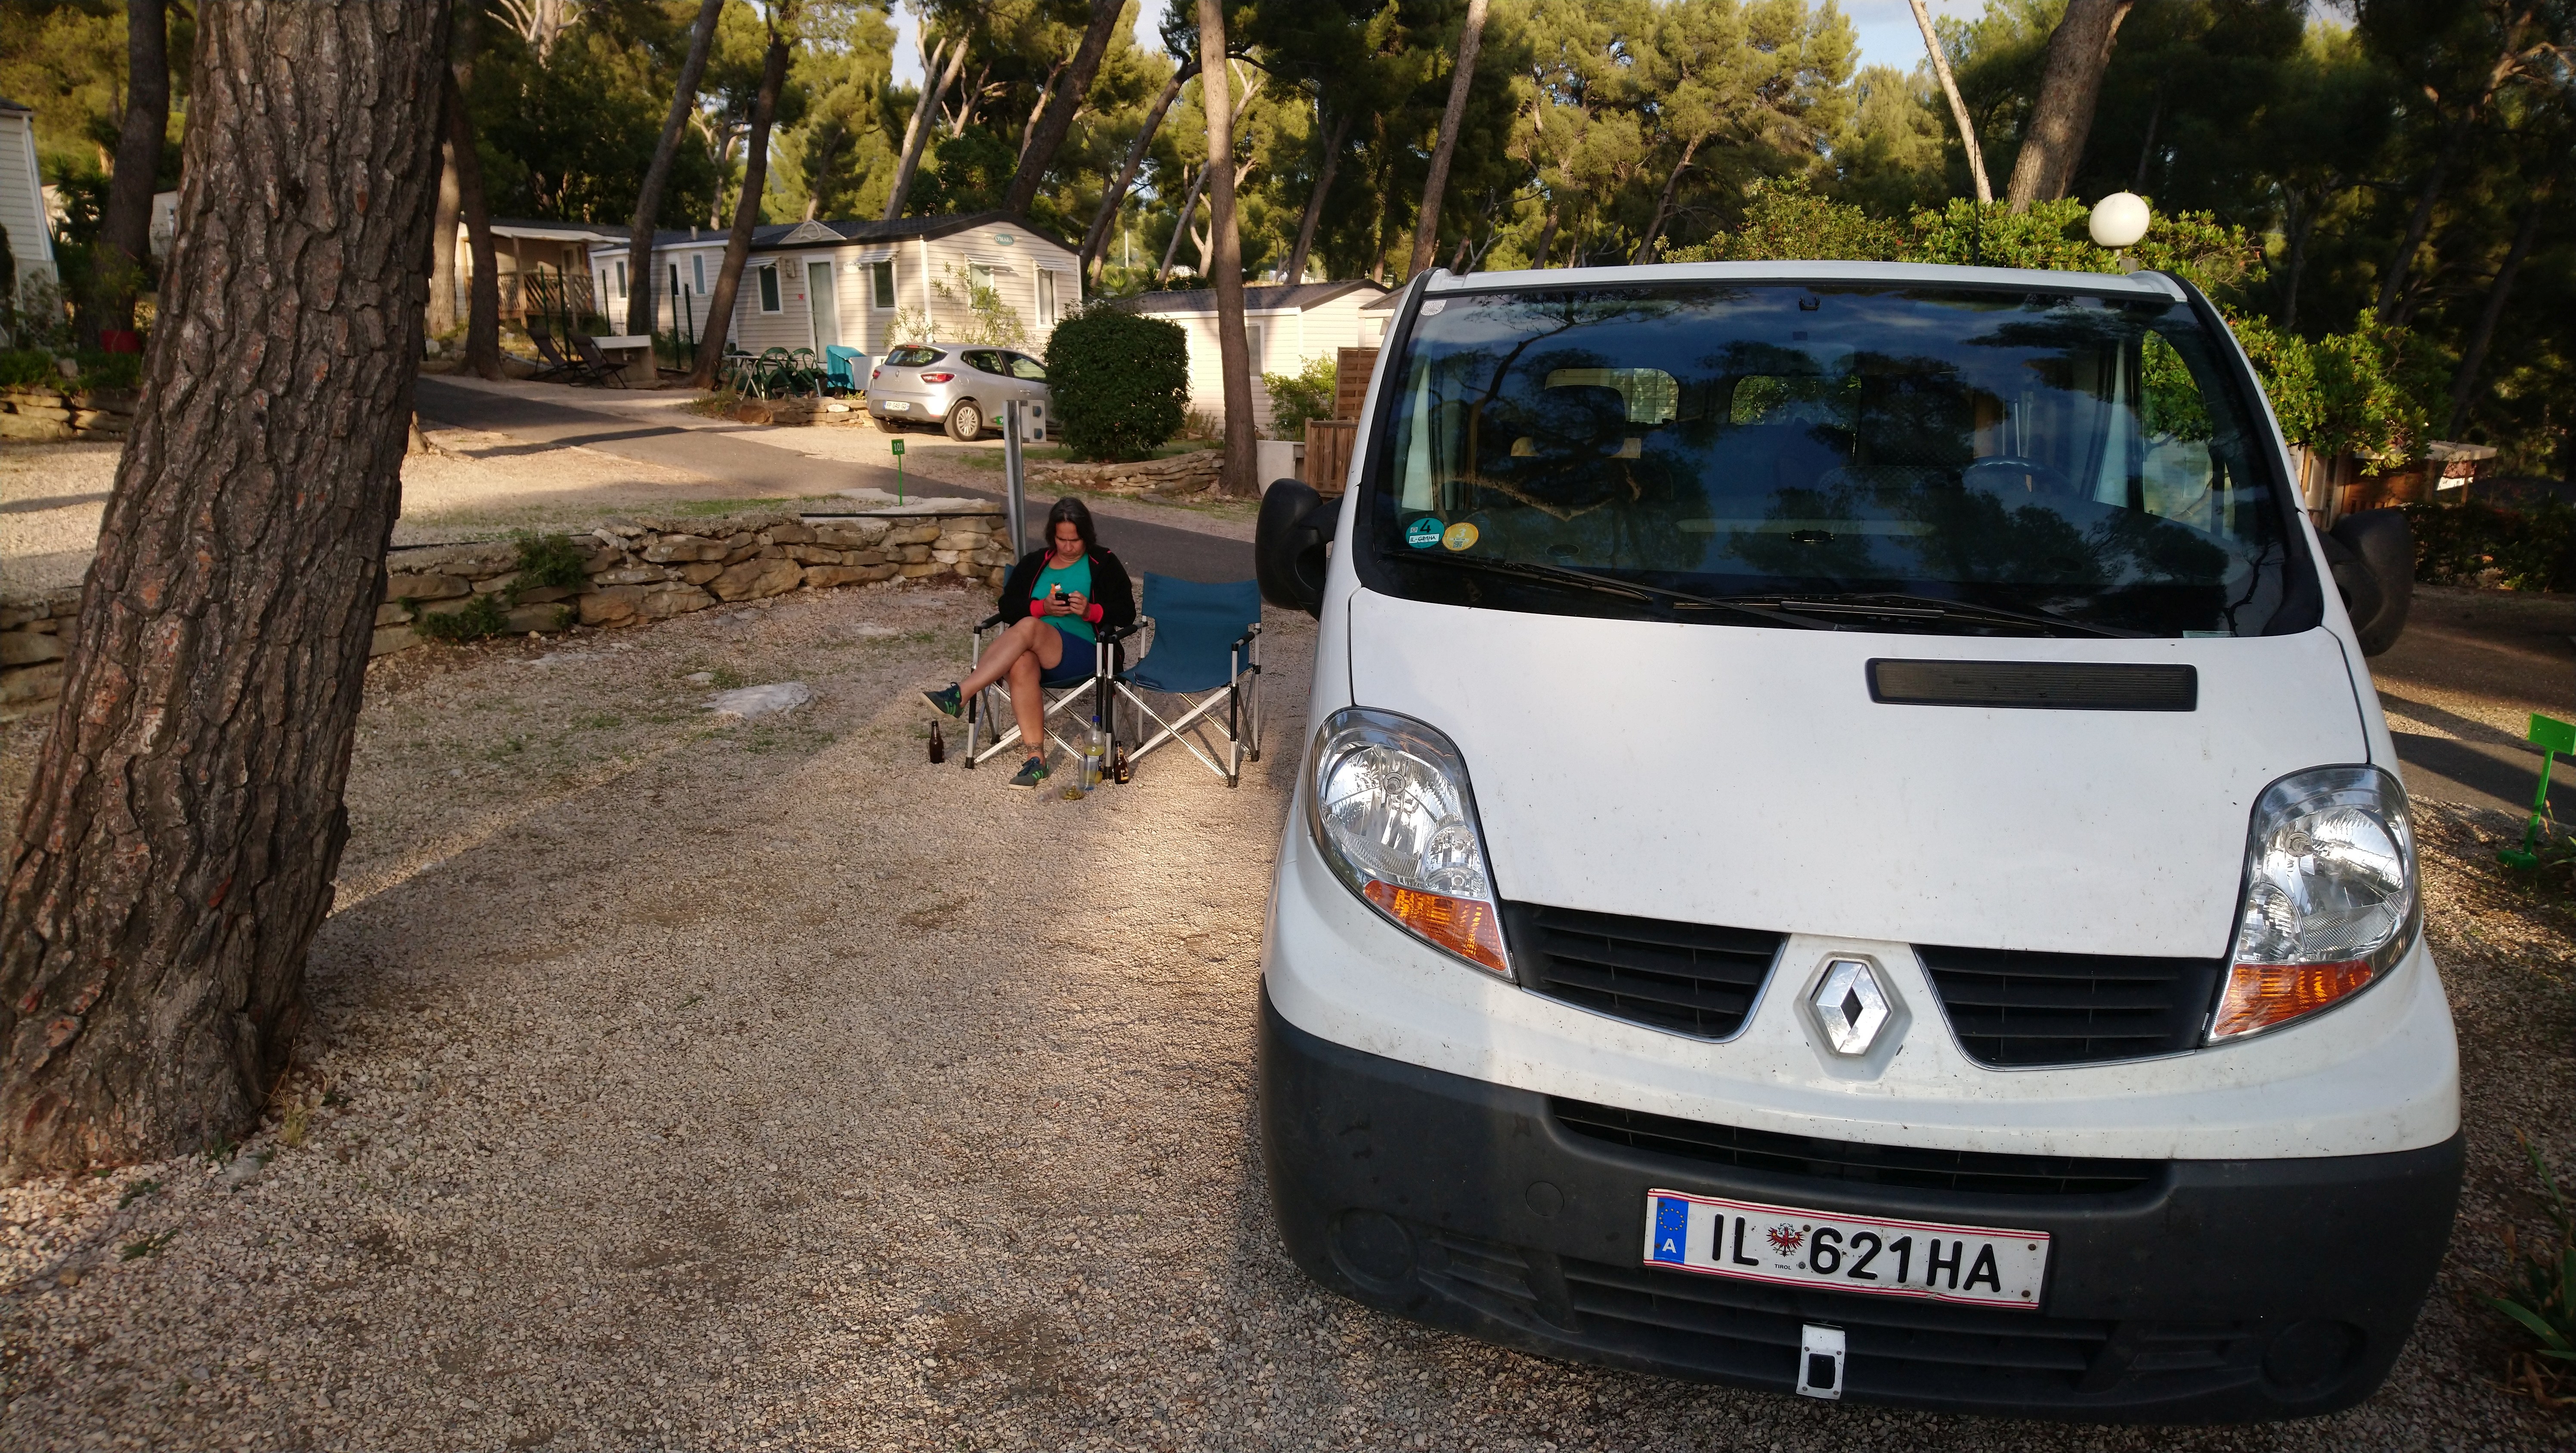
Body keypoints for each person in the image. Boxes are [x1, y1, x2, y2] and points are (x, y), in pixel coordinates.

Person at [922, 497, 1135, 788]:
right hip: (1032, 651)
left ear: (1087, 536)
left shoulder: (1103, 562)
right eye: (1061, 540)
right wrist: (1042, 607)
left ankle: (962, 693)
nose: (1068, 547)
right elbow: (1007, 606)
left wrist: (1091, 612)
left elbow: (1127, 612)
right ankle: (1036, 760)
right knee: (1021, 662)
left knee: (1030, 626)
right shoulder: (1035, 563)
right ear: (1052, 536)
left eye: (1075, 540)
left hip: (1086, 652)